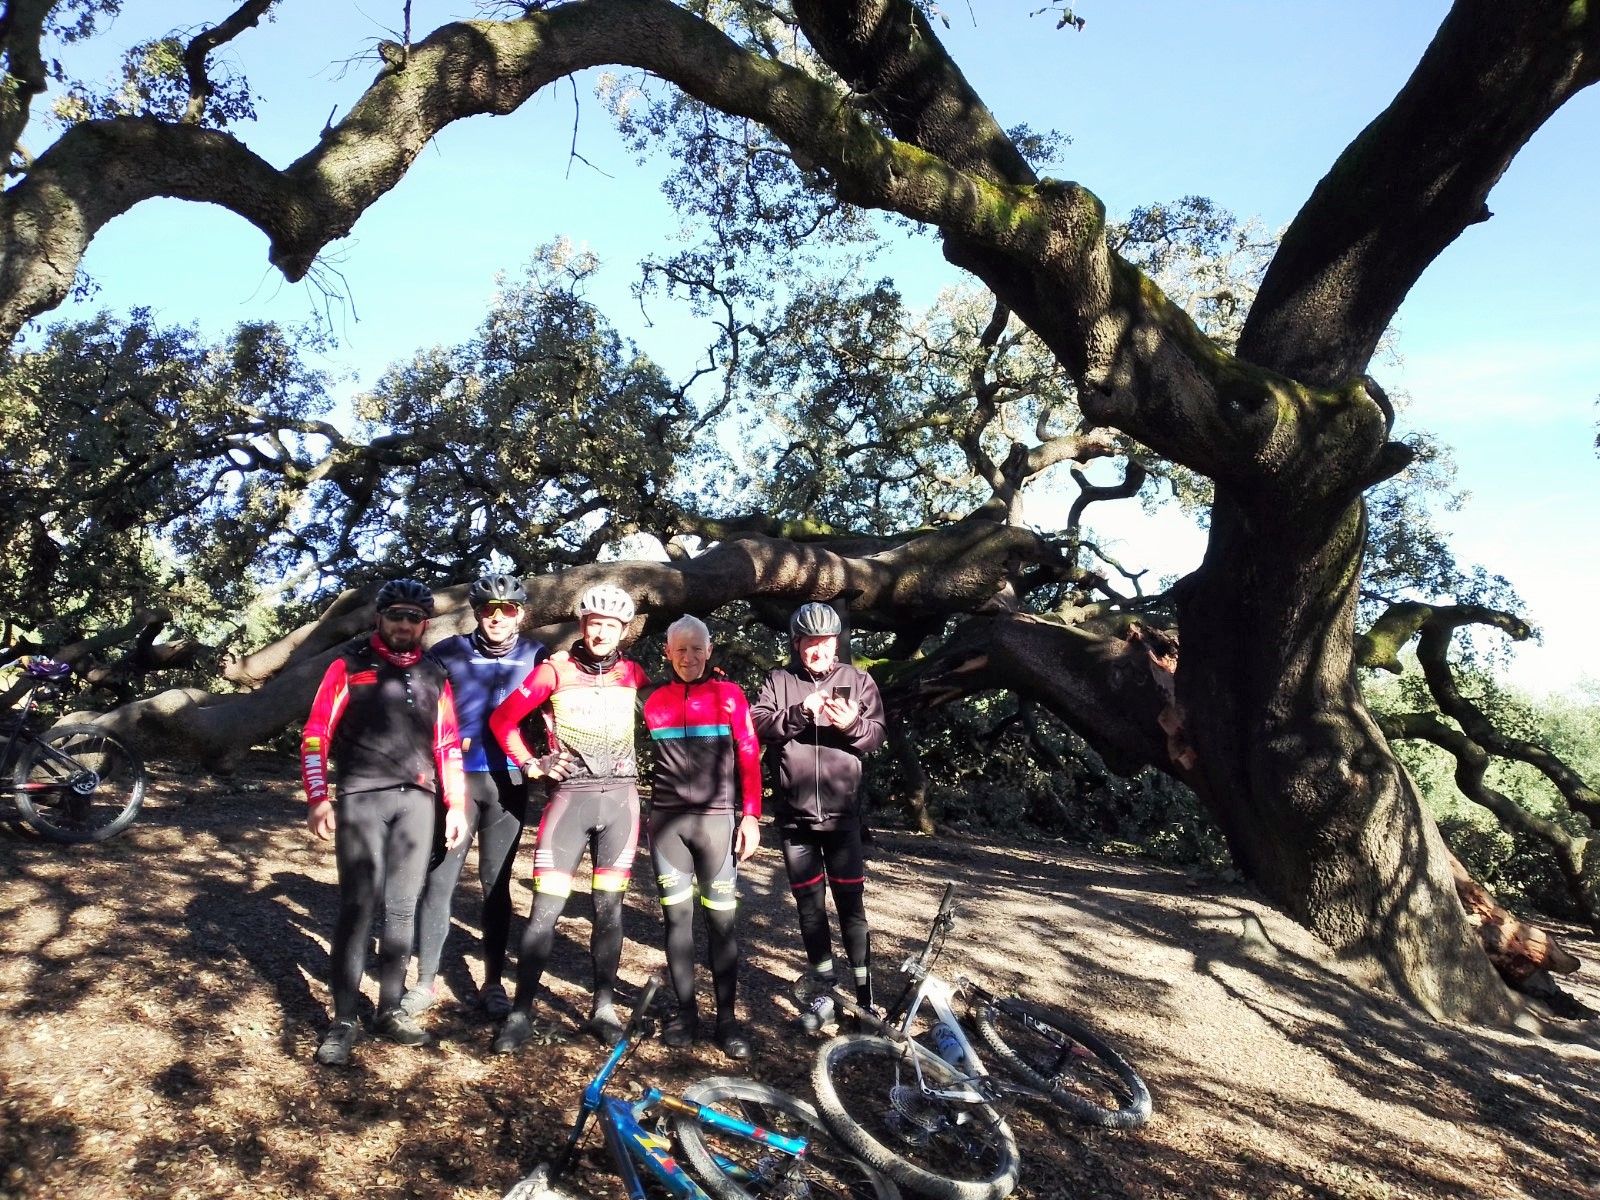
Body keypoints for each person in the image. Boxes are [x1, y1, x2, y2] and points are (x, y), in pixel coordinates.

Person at [300, 577, 469, 1067]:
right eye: (395, 615)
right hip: (361, 798)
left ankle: (390, 1010)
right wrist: (318, 798)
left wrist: (455, 805)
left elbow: (447, 744)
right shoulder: (349, 664)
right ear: (380, 618)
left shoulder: (435, 674)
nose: (403, 625)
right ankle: (344, 1019)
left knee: (402, 909)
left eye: (413, 618)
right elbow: (316, 734)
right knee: (357, 907)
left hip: (418, 802)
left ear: (424, 625)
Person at [486, 582, 649, 1052]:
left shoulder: (634, 673)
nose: (601, 633)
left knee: (608, 909)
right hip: (569, 800)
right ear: (582, 625)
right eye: (594, 624)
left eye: (611, 626)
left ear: (624, 631)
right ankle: (520, 1013)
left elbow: (672, 714)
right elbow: (502, 722)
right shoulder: (553, 671)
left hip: (621, 800)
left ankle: (602, 1009)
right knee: (546, 909)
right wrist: (532, 763)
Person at [402, 573, 548, 1020]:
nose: (497, 618)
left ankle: (493, 984)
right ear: (476, 613)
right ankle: (425, 981)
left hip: (508, 783)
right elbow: (418, 715)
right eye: (488, 610)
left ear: (521, 614)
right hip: (457, 781)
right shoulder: (447, 654)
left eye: (507, 610)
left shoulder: (538, 656)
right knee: (440, 880)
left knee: (496, 885)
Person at [751, 601, 886, 1030]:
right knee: (810, 908)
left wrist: (849, 726)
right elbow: (757, 725)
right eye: (810, 642)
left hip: (843, 818)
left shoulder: (857, 680)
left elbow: (876, 736)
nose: (818, 650)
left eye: (825, 642)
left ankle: (866, 998)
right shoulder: (779, 680)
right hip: (795, 820)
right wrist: (799, 712)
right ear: (797, 644)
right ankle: (824, 990)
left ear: (836, 643)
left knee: (851, 907)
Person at [641, 615, 762, 1060]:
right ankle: (686, 1012)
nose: (688, 658)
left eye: (697, 649)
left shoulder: (730, 696)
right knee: (677, 922)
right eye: (680, 650)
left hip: (717, 824)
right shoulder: (651, 697)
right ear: (667, 653)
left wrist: (751, 817)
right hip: (667, 824)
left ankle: (726, 1019)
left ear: (709, 650)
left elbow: (749, 758)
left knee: (722, 923)